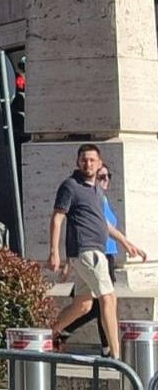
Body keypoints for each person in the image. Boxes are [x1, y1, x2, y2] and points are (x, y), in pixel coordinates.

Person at [49, 144, 147, 358]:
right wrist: (54, 251)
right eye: (84, 160)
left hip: (97, 251)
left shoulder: (96, 190)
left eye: (92, 160)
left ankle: (47, 335)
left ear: (99, 163)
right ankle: (116, 356)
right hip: (87, 250)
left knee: (83, 305)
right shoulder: (70, 186)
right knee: (109, 298)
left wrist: (126, 243)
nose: (88, 164)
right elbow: (57, 218)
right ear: (77, 162)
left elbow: (104, 223)